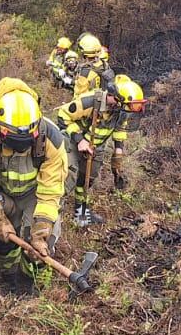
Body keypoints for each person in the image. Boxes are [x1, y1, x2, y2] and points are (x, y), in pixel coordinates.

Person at [0, 78, 68, 292]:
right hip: (2, 193)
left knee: (38, 248)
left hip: (35, 194)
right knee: (3, 238)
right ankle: (10, 280)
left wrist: (40, 230)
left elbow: (50, 190)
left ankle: (29, 286)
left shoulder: (52, 139)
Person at [56, 73, 145, 227]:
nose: (128, 111)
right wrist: (79, 140)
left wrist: (118, 154)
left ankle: (81, 214)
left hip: (96, 147)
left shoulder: (121, 111)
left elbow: (119, 130)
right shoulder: (90, 101)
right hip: (73, 143)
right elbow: (63, 115)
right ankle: (52, 212)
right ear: (117, 99)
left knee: (87, 179)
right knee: (66, 178)